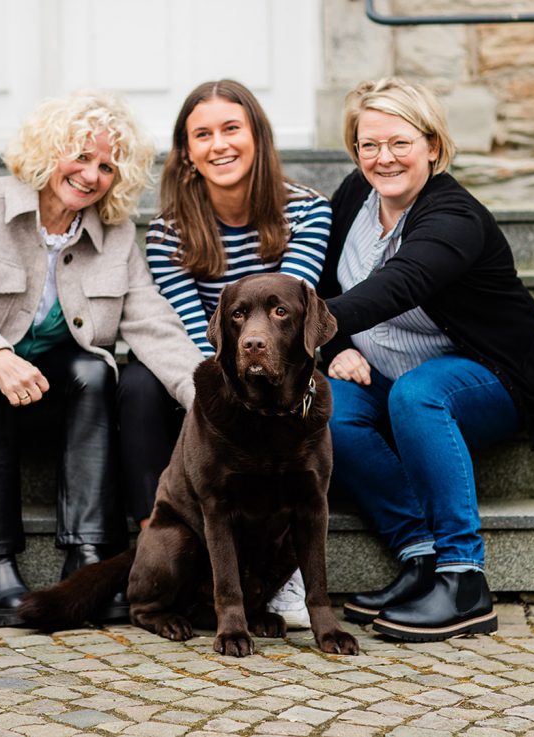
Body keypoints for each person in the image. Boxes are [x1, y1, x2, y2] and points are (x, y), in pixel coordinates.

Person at [0, 91, 203, 628]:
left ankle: (88, 555)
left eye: (106, 166)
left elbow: (152, 323)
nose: (90, 175)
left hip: (52, 395)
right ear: (47, 150)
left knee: (94, 368)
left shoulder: (116, 234)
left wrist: (204, 398)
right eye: (79, 156)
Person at [318, 77, 534, 642]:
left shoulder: (453, 216)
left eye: (400, 143)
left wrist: (302, 327)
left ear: (432, 144)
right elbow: (329, 277)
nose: (383, 158)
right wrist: (337, 347)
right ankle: (421, 557)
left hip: (489, 375)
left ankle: (463, 578)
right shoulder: (355, 195)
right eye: (368, 145)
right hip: (384, 370)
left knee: (420, 393)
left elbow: (398, 285)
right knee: (327, 408)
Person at [116, 79, 332, 629]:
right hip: (213, 369)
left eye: (231, 128)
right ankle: (156, 538)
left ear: (257, 135)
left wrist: (262, 364)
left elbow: (297, 311)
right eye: (202, 134)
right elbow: (192, 327)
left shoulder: (307, 210)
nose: (219, 144)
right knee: (137, 382)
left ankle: (283, 579)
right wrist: (219, 394)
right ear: (187, 152)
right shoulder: (169, 230)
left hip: (283, 368)